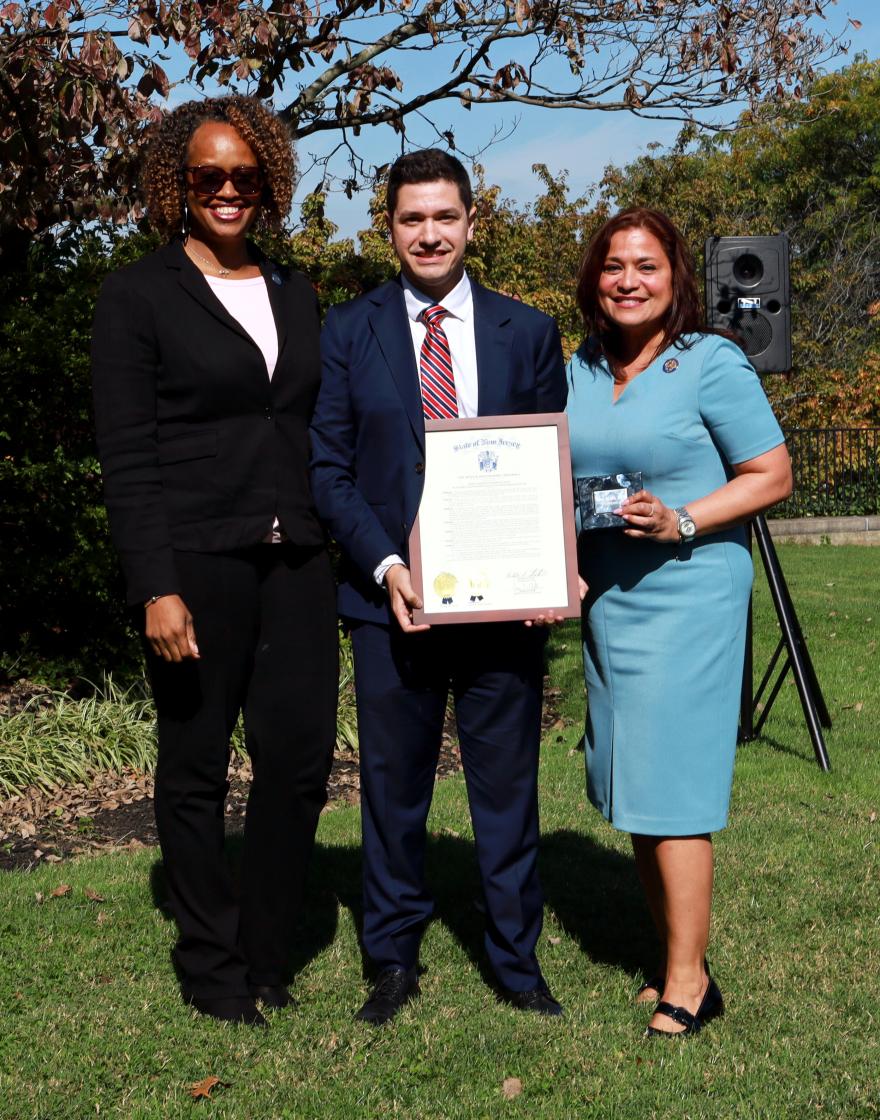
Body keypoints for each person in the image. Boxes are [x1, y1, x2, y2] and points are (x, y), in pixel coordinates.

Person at [91, 96, 338, 1027]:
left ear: (266, 181)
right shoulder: (138, 296)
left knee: (299, 764)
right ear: (178, 185)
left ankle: (267, 954)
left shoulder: (295, 289)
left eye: (243, 175)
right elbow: (128, 453)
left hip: (300, 563)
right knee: (197, 766)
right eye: (208, 176)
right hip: (197, 566)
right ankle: (211, 961)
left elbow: (315, 422)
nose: (227, 190)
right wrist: (155, 584)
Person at [309, 149, 567, 1024]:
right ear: (389, 230)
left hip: (501, 604)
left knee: (506, 787)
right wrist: (387, 565)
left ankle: (516, 963)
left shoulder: (526, 332)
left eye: (444, 217)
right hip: (391, 602)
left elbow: (548, 465)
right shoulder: (348, 331)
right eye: (412, 219)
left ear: (470, 223)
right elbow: (330, 469)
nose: (429, 233)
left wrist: (546, 559)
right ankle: (392, 956)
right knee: (392, 786)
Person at [567, 208, 792, 1037]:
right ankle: (674, 960)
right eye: (614, 266)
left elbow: (771, 474)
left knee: (674, 790)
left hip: (689, 593)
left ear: (676, 279)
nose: (629, 280)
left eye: (647, 266)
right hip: (610, 596)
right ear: (595, 279)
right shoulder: (581, 367)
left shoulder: (711, 363)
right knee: (633, 781)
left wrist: (685, 519)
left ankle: (690, 983)